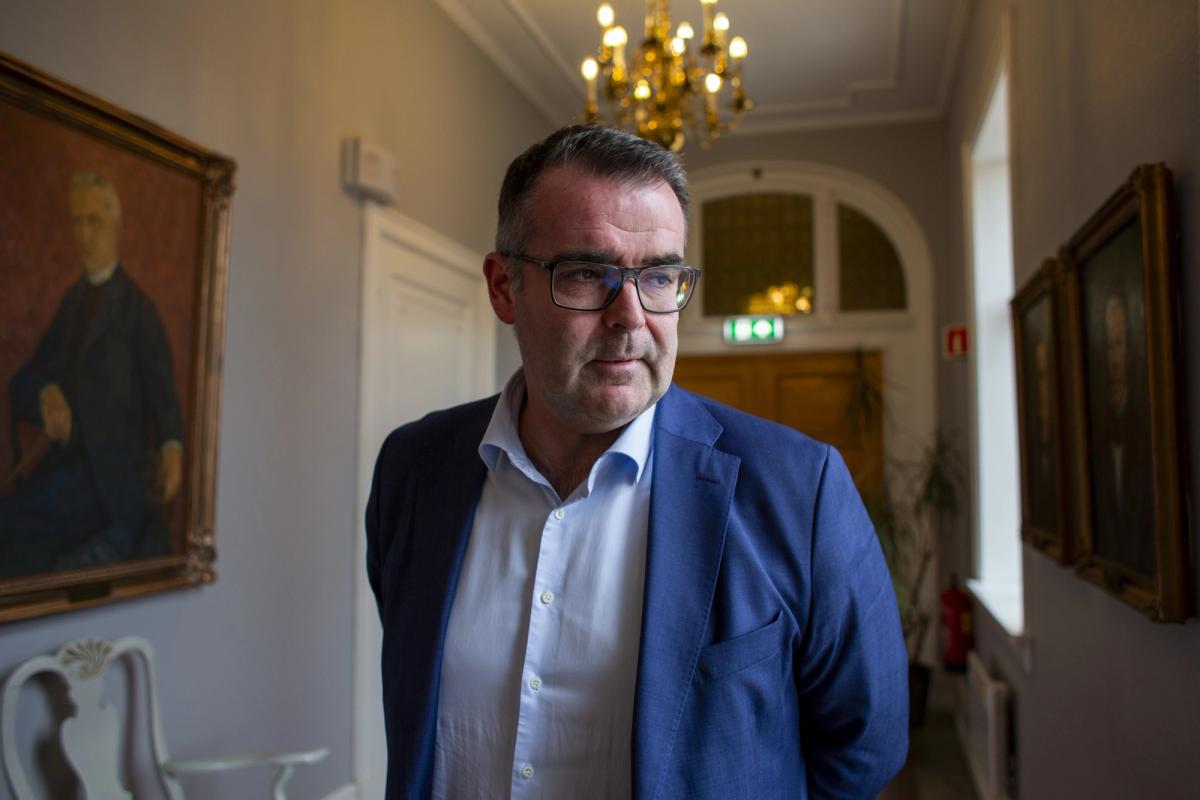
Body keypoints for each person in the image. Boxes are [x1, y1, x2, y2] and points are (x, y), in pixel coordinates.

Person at [366, 125, 908, 799]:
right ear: (504, 287)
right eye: (585, 273)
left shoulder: (799, 489)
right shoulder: (414, 470)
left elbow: (866, 746)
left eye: (658, 277)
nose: (631, 316)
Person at [0, 171, 183, 578]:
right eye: (77, 222)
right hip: (66, 471)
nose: (84, 235)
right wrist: (44, 391)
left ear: (116, 227)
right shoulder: (73, 303)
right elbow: (24, 378)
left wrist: (173, 447)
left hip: (113, 482)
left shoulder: (138, 309)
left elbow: (165, 398)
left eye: (94, 222)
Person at [1089, 292, 1153, 575]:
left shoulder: (1144, 419)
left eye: (1120, 344)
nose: (1115, 359)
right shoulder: (1096, 424)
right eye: (1109, 346)